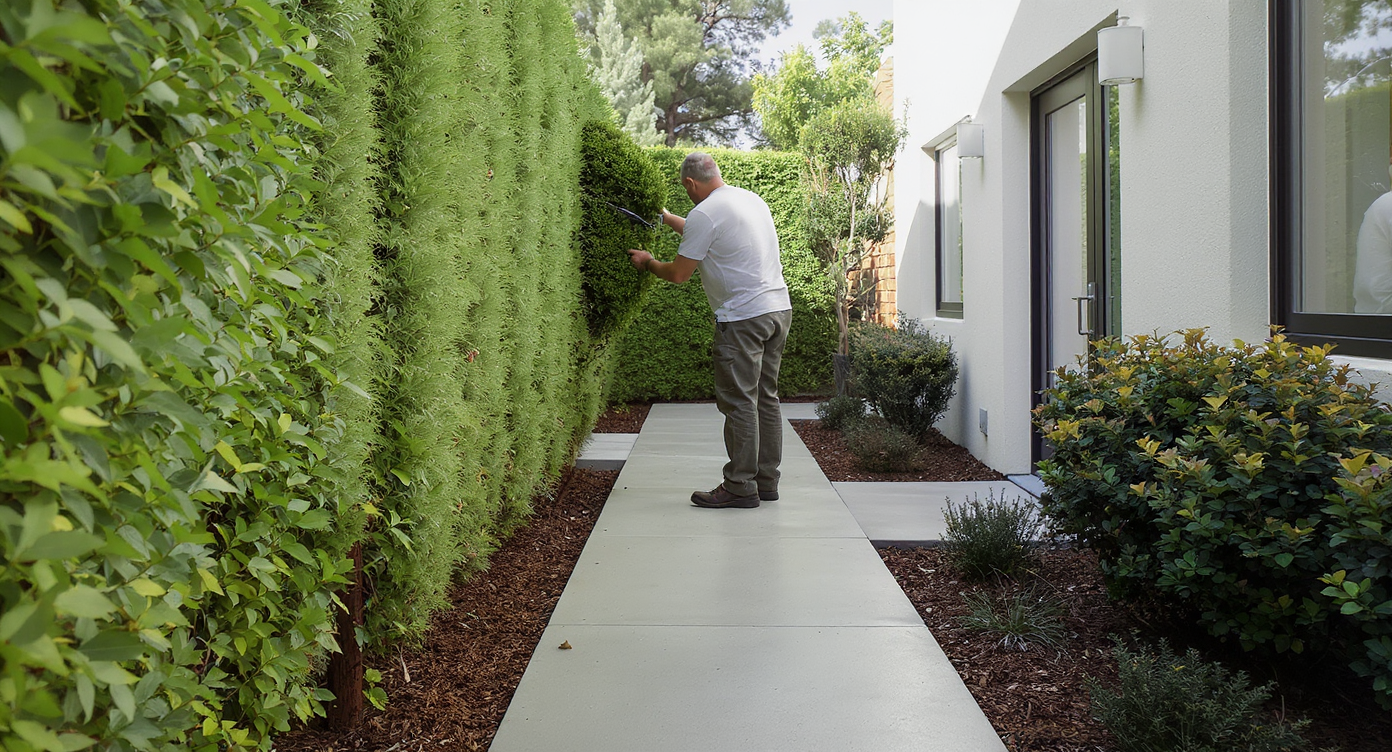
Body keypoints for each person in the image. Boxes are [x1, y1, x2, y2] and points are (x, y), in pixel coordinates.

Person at [627, 152, 793, 509]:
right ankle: (766, 482)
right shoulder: (747, 199)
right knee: (766, 398)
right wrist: (669, 219)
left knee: (739, 402)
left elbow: (678, 273)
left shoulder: (706, 213)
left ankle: (739, 485)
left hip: (743, 319)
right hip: (777, 310)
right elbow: (709, 232)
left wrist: (647, 262)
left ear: (689, 183)